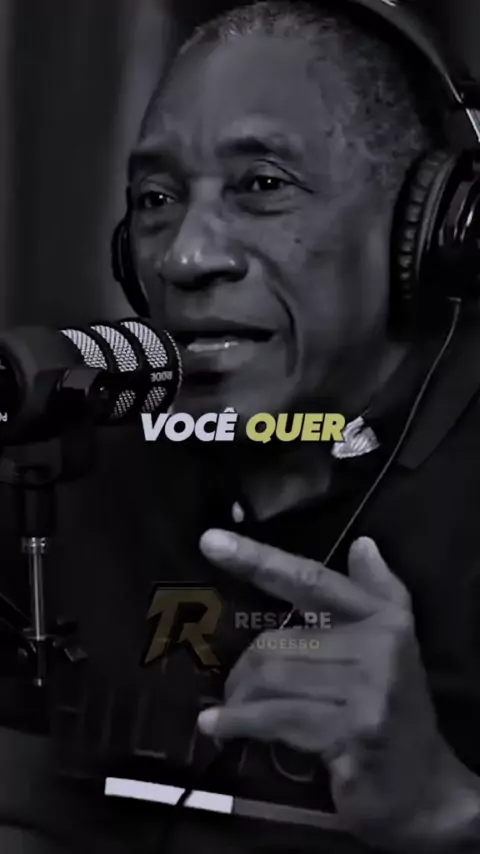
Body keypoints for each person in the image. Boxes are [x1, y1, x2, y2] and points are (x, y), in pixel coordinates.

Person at [2, 1, 480, 852]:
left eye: (262, 185)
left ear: (431, 229)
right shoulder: (64, 466)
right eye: (156, 199)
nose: (184, 257)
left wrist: (444, 811)